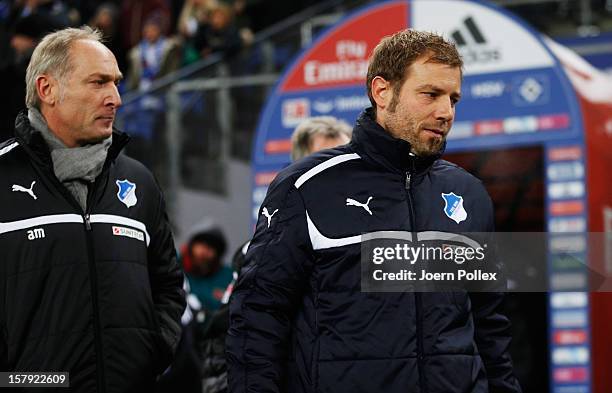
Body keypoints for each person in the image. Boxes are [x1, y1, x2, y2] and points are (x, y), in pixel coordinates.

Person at [227, 29, 522, 393]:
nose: (446, 112)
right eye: (431, 94)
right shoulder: (305, 187)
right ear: (382, 91)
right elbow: (258, 319)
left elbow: (489, 325)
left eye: (453, 98)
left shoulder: (469, 194)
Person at [0, 26, 185, 392]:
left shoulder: (139, 181)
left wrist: (151, 353)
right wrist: (22, 382)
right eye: (98, 83)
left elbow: (168, 284)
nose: (115, 97)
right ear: (47, 89)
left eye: (115, 83)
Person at [180, 221, 234, 312]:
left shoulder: (229, 278)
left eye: (211, 246)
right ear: (191, 246)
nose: (204, 251)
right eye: (200, 244)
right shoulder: (175, 267)